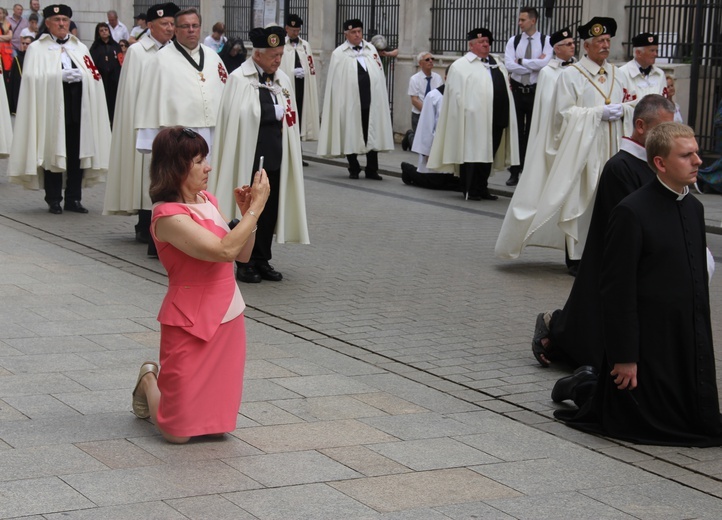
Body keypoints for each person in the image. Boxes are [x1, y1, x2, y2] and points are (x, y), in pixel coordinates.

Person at [553, 122, 722, 447]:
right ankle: (579, 385)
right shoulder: (631, 211)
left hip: (682, 339)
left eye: (696, 153)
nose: (698, 161)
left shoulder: (694, 208)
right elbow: (616, 291)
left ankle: (589, 380)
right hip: (646, 343)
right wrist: (624, 356)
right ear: (660, 163)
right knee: (642, 418)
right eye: (687, 156)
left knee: (695, 417)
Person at [131, 126, 271, 444]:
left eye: (205, 159)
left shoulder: (207, 200)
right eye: (198, 161)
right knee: (175, 432)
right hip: (190, 319)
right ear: (176, 167)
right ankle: (149, 379)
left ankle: (165, 388)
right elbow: (223, 250)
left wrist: (244, 217)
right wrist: (255, 208)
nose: (207, 167)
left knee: (215, 426)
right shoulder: (166, 216)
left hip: (228, 312)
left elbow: (242, 255)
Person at [530, 94, 675, 370]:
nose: (668, 136)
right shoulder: (620, 168)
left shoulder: (657, 163)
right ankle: (553, 328)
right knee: (594, 338)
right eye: (662, 129)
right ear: (641, 126)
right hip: (617, 256)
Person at [495, 17, 632, 272]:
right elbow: (563, 114)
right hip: (582, 149)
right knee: (581, 200)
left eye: (607, 41)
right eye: (599, 41)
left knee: (609, 200)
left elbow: (633, 102)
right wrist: (595, 114)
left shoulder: (617, 73)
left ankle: (605, 254)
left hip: (611, 147)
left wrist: (623, 109)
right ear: (587, 47)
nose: (604, 45)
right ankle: (577, 257)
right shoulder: (571, 75)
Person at [212, 25, 310, 284]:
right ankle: (244, 263)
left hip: (276, 156)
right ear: (257, 55)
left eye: (280, 54)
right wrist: (269, 113)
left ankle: (262, 258)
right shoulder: (239, 79)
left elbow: (289, 114)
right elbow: (239, 117)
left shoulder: (282, 79)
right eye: (274, 55)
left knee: (270, 210)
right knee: (249, 212)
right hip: (249, 156)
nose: (279, 59)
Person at [8, 4, 110, 214]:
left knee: (75, 153)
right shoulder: (38, 48)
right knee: (52, 150)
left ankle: (74, 198)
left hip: (77, 108)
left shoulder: (79, 47)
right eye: (57, 20)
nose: (62, 24)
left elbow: (95, 76)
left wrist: (84, 76)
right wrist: (57, 77)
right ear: (48, 23)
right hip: (51, 109)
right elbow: (30, 78)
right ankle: (53, 198)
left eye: (64, 20)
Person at [103, 3, 179, 254]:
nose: (169, 28)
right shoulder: (139, 52)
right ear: (149, 26)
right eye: (164, 24)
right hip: (147, 122)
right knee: (147, 174)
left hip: (172, 121)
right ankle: (145, 224)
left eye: (171, 24)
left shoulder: (178, 51)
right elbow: (132, 93)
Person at [495, 27, 576, 258]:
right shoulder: (548, 73)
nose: (572, 47)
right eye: (567, 44)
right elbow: (550, 108)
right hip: (554, 134)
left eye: (573, 43)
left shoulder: (578, 71)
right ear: (556, 49)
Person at [427, 28, 519, 201]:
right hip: (472, 121)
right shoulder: (461, 67)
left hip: (496, 118)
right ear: (471, 45)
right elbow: (454, 95)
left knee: (488, 156)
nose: (485, 44)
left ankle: (482, 187)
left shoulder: (496, 64)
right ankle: (469, 188)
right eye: (481, 42)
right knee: (472, 156)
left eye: (486, 41)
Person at [317, 18, 394, 180]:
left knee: (371, 131)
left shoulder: (371, 49)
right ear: (346, 34)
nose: (357, 35)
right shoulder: (339, 54)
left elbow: (378, 75)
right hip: (349, 102)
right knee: (350, 132)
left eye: (359, 31)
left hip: (370, 101)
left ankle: (372, 169)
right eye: (353, 32)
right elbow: (336, 83)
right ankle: (354, 167)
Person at [504, 6, 552, 186]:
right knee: (517, 133)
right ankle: (514, 171)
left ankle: (529, 171)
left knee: (533, 131)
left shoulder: (545, 40)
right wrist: (534, 64)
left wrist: (522, 61)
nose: (520, 23)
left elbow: (546, 64)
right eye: (519, 19)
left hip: (535, 92)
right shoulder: (514, 41)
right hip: (517, 91)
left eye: (523, 20)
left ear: (533, 20)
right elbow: (509, 65)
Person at [401, 65, 459, 190]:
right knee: (435, 182)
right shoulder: (434, 96)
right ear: (446, 77)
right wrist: (427, 151)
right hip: (435, 147)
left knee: (454, 182)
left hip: (453, 148)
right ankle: (409, 170)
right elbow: (426, 127)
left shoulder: (464, 96)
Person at [280, 14, 319, 142]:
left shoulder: (305, 45)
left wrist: (305, 72)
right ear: (286, 28)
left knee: (301, 118)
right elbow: (280, 67)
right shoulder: (282, 45)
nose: (296, 33)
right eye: (293, 30)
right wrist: (291, 73)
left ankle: (299, 155)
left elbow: (311, 66)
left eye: (298, 30)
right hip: (289, 88)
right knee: (290, 118)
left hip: (302, 88)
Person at [402, 51, 442, 151]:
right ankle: (410, 136)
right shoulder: (414, 79)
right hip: (419, 113)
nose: (431, 61)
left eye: (432, 59)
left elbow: (440, 96)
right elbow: (414, 100)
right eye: (427, 59)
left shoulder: (437, 78)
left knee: (429, 141)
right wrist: (427, 111)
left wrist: (434, 112)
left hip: (434, 113)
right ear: (420, 63)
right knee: (419, 145)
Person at [89, 22, 122, 125]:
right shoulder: (95, 47)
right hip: (101, 78)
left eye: (106, 30)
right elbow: (91, 64)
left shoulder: (115, 46)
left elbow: (121, 61)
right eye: (101, 30)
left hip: (114, 79)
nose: (104, 32)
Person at [618, 33, 666, 103]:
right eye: (652, 51)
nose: (656, 54)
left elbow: (664, 102)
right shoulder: (622, 73)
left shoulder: (660, 74)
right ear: (638, 53)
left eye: (656, 51)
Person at [8, 34, 30, 113]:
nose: (24, 45)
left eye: (27, 44)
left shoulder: (35, 58)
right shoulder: (17, 58)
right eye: (23, 43)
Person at [0, 8, 13, 76]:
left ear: (3, 14)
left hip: (6, 54)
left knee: (6, 73)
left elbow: (10, 37)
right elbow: (7, 37)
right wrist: (4, 37)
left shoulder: (8, 25)